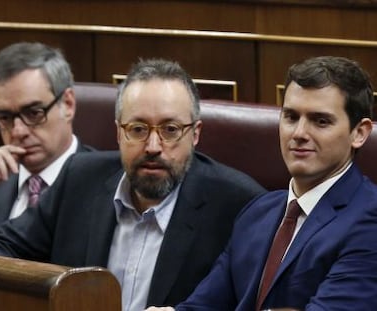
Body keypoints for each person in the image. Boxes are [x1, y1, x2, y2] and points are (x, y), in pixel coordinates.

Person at [0, 58, 266, 310]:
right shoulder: (79, 179)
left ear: (196, 134)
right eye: (137, 129)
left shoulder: (237, 205)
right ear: (118, 132)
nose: (153, 145)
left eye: (170, 129)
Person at [147, 56, 377, 311]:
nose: (299, 133)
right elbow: (204, 305)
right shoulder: (258, 212)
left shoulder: (369, 222)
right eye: (291, 117)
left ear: (359, 133)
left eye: (320, 121)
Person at [0, 42, 93, 249]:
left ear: (68, 104)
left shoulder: (103, 189)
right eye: (5, 117)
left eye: (33, 113)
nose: (18, 132)